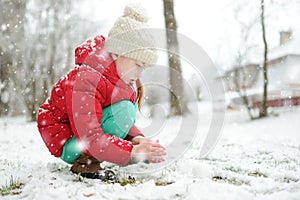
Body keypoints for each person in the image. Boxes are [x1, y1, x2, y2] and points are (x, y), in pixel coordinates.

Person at [37, 3, 166, 179]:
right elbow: (89, 135)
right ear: (117, 53)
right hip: (70, 142)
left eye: (143, 67)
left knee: (124, 109)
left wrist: (137, 139)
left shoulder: (119, 78)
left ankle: (107, 153)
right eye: (137, 65)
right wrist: (132, 151)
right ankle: (87, 162)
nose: (139, 73)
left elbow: (114, 119)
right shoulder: (86, 79)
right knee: (124, 110)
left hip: (83, 139)